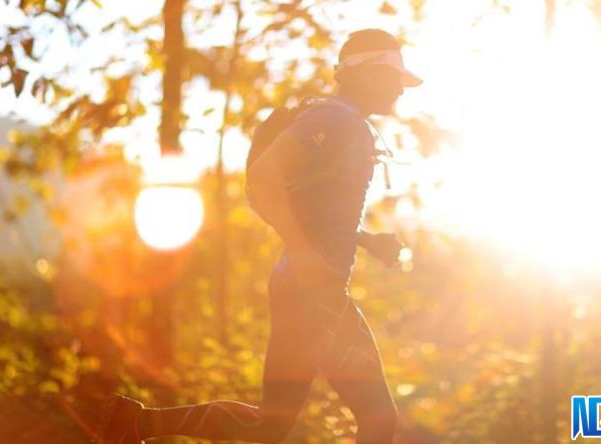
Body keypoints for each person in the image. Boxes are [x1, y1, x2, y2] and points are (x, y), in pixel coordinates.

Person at [96, 28, 422, 444]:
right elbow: (264, 175)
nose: (400, 89)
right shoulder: (335, 120)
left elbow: (315, 210)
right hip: (313, 295)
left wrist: (364, 239)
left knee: (268, 426)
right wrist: (305, 254)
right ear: (370, 74)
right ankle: (134, 425)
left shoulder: (340, 120)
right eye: (395, 78)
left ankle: (133, 425)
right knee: (378, 421)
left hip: (303, 290)